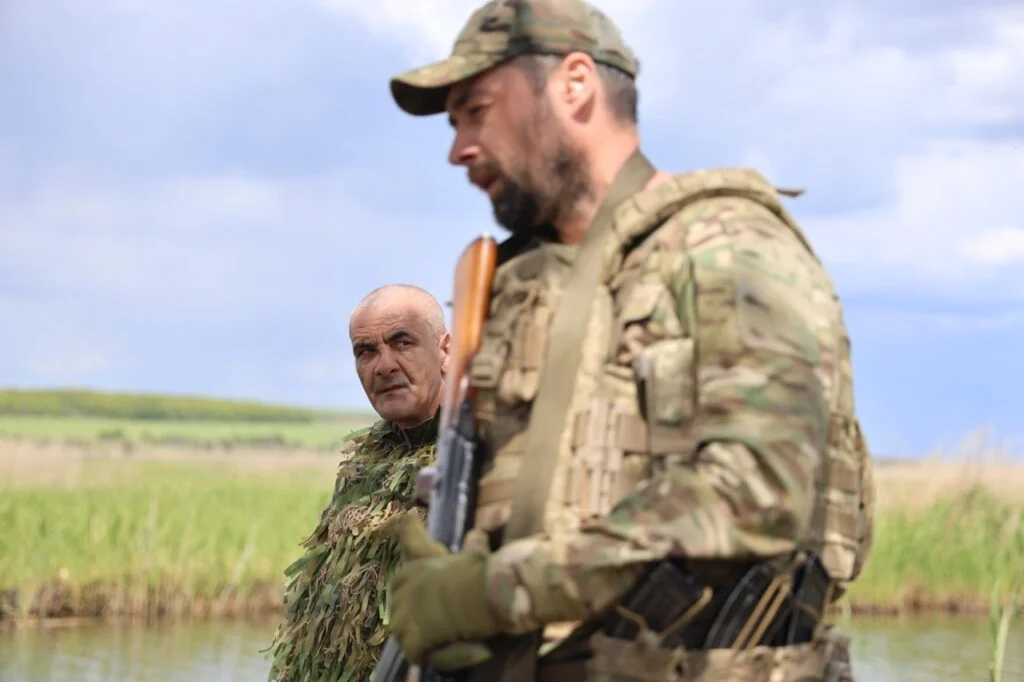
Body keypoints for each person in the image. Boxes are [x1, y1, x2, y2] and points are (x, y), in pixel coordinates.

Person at [379, 1, 876, 681]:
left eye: (478, 110)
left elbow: (757, 491)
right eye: (453, 122)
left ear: (575, 84)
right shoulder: (520, 285)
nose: (458, 148)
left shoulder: (725, 246)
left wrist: (494, 592)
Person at [266, 284, 450, 682]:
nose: (383, 366)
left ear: (445, 350)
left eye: (402, 342)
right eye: (365, 351)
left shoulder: (478, 455)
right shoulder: (365, 460)